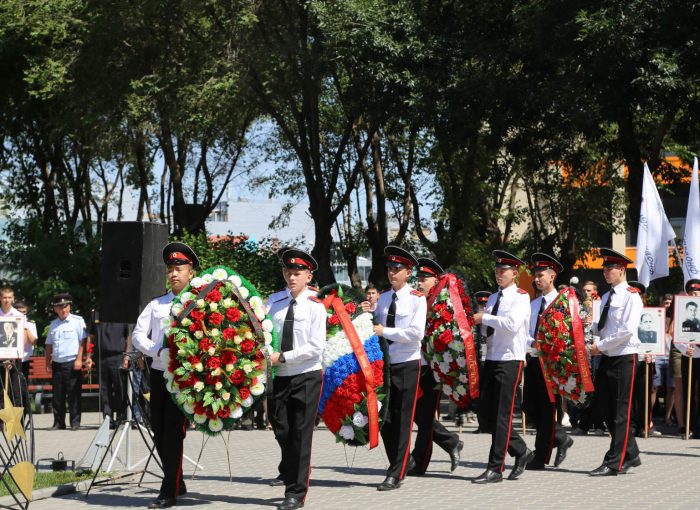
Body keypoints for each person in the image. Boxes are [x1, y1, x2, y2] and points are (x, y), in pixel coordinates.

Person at [132, 242, 199, 509]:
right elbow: (138, 334)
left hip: (184, 379)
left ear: (191, 272)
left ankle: (168, 490)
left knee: (173, 432)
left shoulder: (200, 303)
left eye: (179, 268)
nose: (173, 273)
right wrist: (155, 350)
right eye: (170, 268)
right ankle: (177, 479)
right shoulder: (157, 304)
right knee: (158, 430)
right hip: (160, 374)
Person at [361, 245, 426, 491]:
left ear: (408, 272)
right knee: (385, 418)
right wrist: (366, 314)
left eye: (397, 269)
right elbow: (372, 326)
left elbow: (415, 333)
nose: (392, 273)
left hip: (407, 363)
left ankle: (396, 473)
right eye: (389, 268)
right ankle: (399, 463)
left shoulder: (417, 299)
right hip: (385, 365)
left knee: (402, 419)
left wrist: (384, 331)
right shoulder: (384, 297)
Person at [266, 248, 326, 510]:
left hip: (306, 375)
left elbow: (316, 346)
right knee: (281, 429)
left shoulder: (316, 303)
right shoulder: (275, 302)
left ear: (308, 275)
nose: (292, 277)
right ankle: (291, 473)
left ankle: (295, 492)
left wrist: (284, 357)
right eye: (288, 272)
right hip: (280, 376)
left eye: (297, 273)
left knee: (300, 434)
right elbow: (264, 334)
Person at [471, 250, 533, 484]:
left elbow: (511, 324)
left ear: (515, 273)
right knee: (486, 413)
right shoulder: (495, 297)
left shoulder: (521, 296)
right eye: (497, 270)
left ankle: (495, 468)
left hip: (510, 359)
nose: (499, 274)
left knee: (502, 415)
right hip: (493, 357)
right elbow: (490, 329)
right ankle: (520, 450)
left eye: (503, 270)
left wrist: (484, 318)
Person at [405, 257, 463, 476]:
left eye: (425, 279)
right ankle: (451, 442)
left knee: (425, 414)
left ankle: (419, 462)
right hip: (416, 363)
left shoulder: (443, 302)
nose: (420, 283)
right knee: (418, 414)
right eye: (418, 278)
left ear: (436, 280)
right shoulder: (420, 300)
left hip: (434, 366)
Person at [588, 248, 643, 476]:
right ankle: (631, 453)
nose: (605, 272)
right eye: (604, 268)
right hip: (607, 357)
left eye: (609, 268)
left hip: (624, 356)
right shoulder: (607, 296)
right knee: (606, 408)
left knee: (621, 412)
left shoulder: (632, 295)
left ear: (621, 269)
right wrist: (586, 328)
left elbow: (627, 331)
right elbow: (602, 327)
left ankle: (614, 462)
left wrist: (599, 346)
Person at [523, 253, 573, 471]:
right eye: (535, 275)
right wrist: (532, 343)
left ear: (552, 276)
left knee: (547, 409)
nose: (537, 279)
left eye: (541, 275)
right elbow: (524, 331)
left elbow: (570, 332)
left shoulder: (563, 303)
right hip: (534, 359)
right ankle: (560, 437)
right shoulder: (533, 304)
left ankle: (540, 455)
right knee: (528, 406)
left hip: (552, 363)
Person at [45, 293, 88, 430]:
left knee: (74, 394)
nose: (63, 310)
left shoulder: (77, 321)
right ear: (55, 309)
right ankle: (59, 422)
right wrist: (47, 363)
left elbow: (83, 341)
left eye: (66, 306)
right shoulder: (53, 325)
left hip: (72, 362)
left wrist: (79, 359)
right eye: (60, 307)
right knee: (58, 395)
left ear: (69, 307)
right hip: (57, 363)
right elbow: (48, 345)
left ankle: (75, 423)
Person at [86, 311, 130, 429]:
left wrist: (126, 356)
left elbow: (128, 337)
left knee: (120, 389)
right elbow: (91, 337)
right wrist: (89, 356)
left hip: (118, 357)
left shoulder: (122, 313)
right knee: (104, 391)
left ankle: (122, 417)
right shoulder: (95, 314)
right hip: (101, 358)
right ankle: (108, 419)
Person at [0, 289, 38, 409]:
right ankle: (2, 424)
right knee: (2, 393)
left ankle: (17, 424)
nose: (7, 300)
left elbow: (23, 337)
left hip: (15, 359)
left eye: (10, 297)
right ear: (0, 298)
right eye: (5, 297)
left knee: (17, 393)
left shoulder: (19, 315)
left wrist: (13, 355)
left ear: (13, 298)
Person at [675, 279, 700, 438]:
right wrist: (686, 348)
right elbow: (676, 338)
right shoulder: (682, 315)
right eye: (692, 294)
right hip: (689, 356)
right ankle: (689, 426)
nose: (694, 295)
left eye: (697, 294)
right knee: (688, 392)